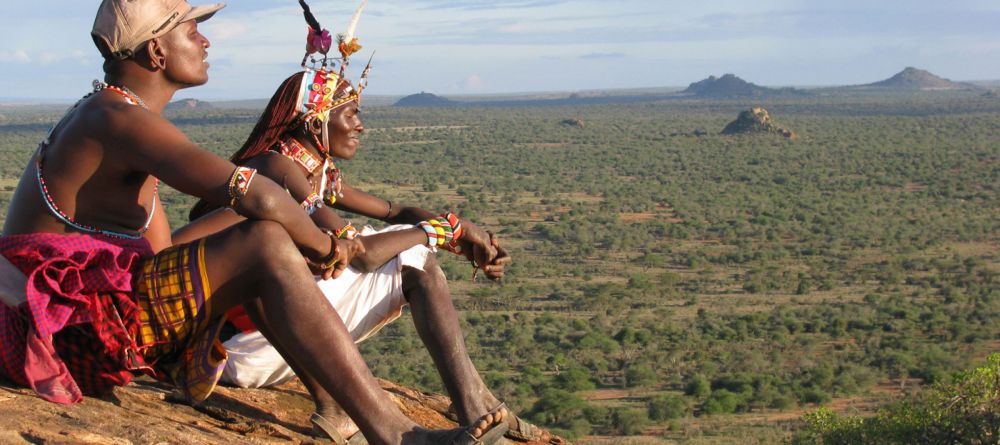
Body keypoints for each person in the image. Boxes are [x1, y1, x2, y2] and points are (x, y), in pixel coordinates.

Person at [0, 1, 508, 444]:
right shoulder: (115, 118)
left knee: (257, 246)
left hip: (86, 326)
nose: (205, 40)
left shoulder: (113, 116)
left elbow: (160, 258)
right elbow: (254, 193)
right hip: (62, 335)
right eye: (191, 31)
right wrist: (323, 246)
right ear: (156, 52)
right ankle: (397, 435)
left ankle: (344, 410)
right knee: (263, 240)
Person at [173, 3, 559, 443]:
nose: (360, 125)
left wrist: (464, 232)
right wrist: (443, 231)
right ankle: (470, 407)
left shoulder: (316, 172)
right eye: (350, 112)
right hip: (239, 350)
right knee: (415, 260)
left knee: (411, 245)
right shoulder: (279, 168)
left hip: (279, 339)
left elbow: (395, 212)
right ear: (316, 119)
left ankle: (469, 406)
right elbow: (357, 252)